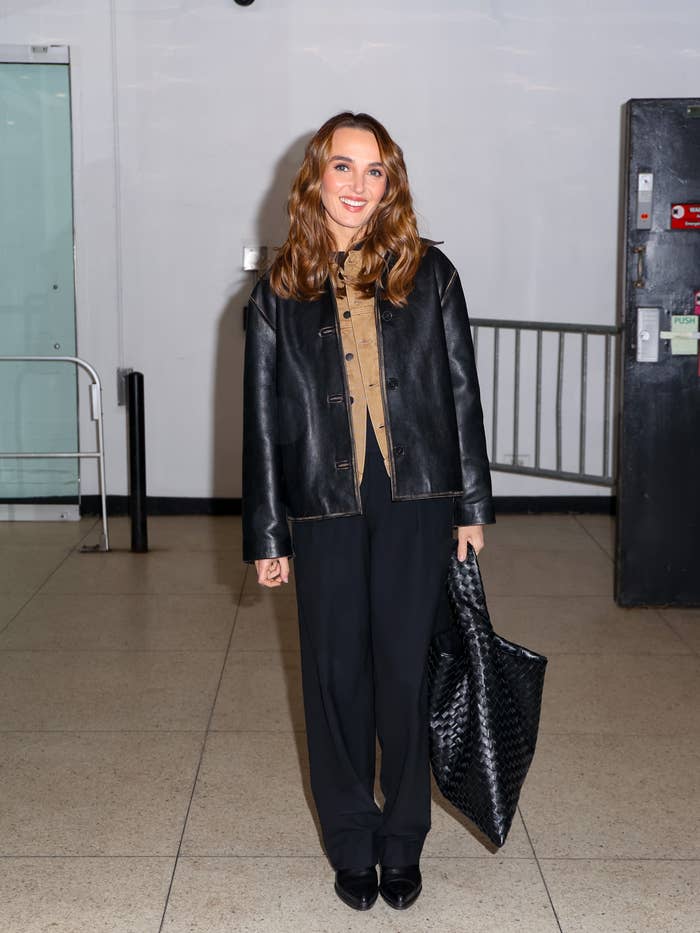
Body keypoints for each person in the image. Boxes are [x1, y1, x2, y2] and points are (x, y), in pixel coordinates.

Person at [242, 112, 494, 912]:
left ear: (393, 184)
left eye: (375, 170)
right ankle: (352, 838)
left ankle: (403, 838)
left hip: (415, 492)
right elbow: (262, 420)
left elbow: (461, 393)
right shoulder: (278, 288)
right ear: (316, 176)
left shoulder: (432, 273)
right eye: (343, 167)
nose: (358, 185)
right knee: (334, 672)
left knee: (403, 670)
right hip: (321, 498)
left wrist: (472, 506)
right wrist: (267, 530)